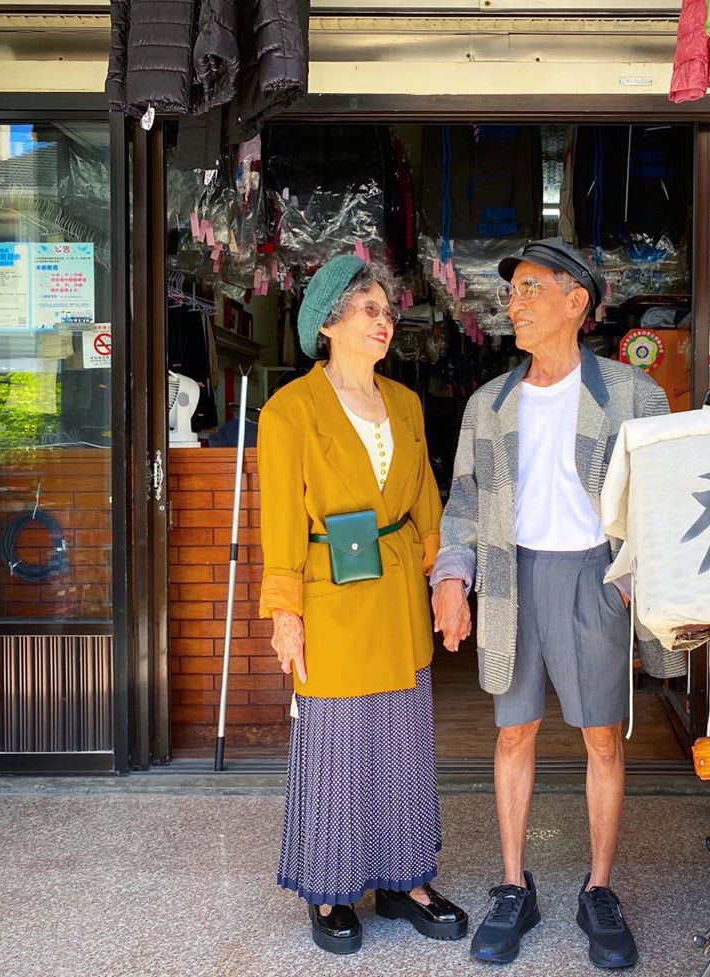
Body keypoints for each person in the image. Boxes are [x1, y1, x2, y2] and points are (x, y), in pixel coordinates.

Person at [430, 239, 687, 969]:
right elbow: (463, 505)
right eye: (511, 291)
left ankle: (599, 889)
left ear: (577, 301)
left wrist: (648, 572)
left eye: (531, 287)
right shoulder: (490, 403)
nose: (515, 301)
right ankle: (514, 884)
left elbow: (661, 496)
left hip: (596, 579)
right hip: (513, 577)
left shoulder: (633, 395)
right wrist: (453, 575)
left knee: (602, 737)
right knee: (513, 733)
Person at [258, 254, 468, 955]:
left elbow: (427, 506)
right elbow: (281, 522)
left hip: (398, 593)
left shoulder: (406, 403)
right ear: (328, 324)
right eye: (369, 309)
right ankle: (328, 887)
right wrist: (285, 615)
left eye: (387, 309)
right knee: (335, 744)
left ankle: (405, 879)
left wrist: (447, 580)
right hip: (331, 596)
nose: (385, 321)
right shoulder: (289, 409)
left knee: (401, 738)